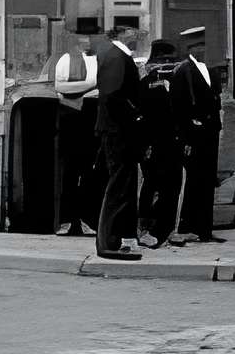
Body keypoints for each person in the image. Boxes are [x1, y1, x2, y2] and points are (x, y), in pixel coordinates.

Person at [91, 23, 145, 261]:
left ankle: (120, 238)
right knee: (118, 185)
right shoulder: (115, 56)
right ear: (121, 33)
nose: (137, 35)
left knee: (123, 185)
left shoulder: (117, 55)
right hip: (118, 131)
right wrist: (136, 116)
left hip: (119, 130)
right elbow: (113, 97)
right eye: (132, 31)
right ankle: (108, 241)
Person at [175, 25, 224, 244]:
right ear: (189, 48)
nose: (201, 50)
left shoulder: (209, 70)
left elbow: (215, 98)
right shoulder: (184, 70)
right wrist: (187, 132)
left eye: (203, 45)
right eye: (196, 46)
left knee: (206, 181)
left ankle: (204, 228)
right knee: (195, 181)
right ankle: (189, 225)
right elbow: (179, 105)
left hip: (210, 131)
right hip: (195, 133)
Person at [48, 34, 99, 237]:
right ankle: (67, 219)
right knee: (68, 173)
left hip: (90, 119)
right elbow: (60, 87)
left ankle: (87, 219)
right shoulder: (65, 60)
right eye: (82, 40)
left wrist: (86, 86)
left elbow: (99, 83)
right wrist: (89, 85)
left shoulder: (95, 60)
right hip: (69, 118)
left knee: (89, 174)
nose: (85, 43)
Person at [136, 40, 186, 248]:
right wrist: (144, 145)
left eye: (170, 61)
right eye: (163, 61)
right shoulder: (145, 85)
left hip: (173, 143)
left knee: (173, 186)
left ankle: (169, 229)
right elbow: (142, 117)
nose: (167, 65)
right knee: (151, 186)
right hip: (153, 144)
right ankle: (144, 229)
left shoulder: (178, 83)